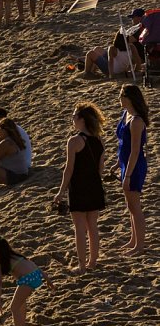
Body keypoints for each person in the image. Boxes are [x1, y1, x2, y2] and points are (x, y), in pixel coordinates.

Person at [53, 103, 106, 273]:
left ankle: (82, 266)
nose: (72, 119)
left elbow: (69, 169)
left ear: (82, 120)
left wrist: (61, 191)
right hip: (95, 186)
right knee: (93, 226)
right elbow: (100, 169)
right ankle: (93, 262)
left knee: (80, 229)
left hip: (79, 187)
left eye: (74, 116)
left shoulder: (74, 141)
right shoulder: (99, 140)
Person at [0, 233, 54, 326]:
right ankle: (22, 325)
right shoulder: (15, 254)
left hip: (27, 280)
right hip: (36, 275)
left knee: (14, 308)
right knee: (21, 302)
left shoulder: (0, 261)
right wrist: (47, 279)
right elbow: (33, 265)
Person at [117, 84, 149, 256]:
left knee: (135, 206)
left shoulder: (136, 121)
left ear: (129, 98)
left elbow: (135, 150)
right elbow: (123, 144)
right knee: (130, 205)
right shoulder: (125, 114)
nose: (119, 99)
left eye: (122, 95)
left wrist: (128, 175)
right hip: (125, 163)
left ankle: (139, 246)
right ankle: (133, 240)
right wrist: (117, 164)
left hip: (134, 166)